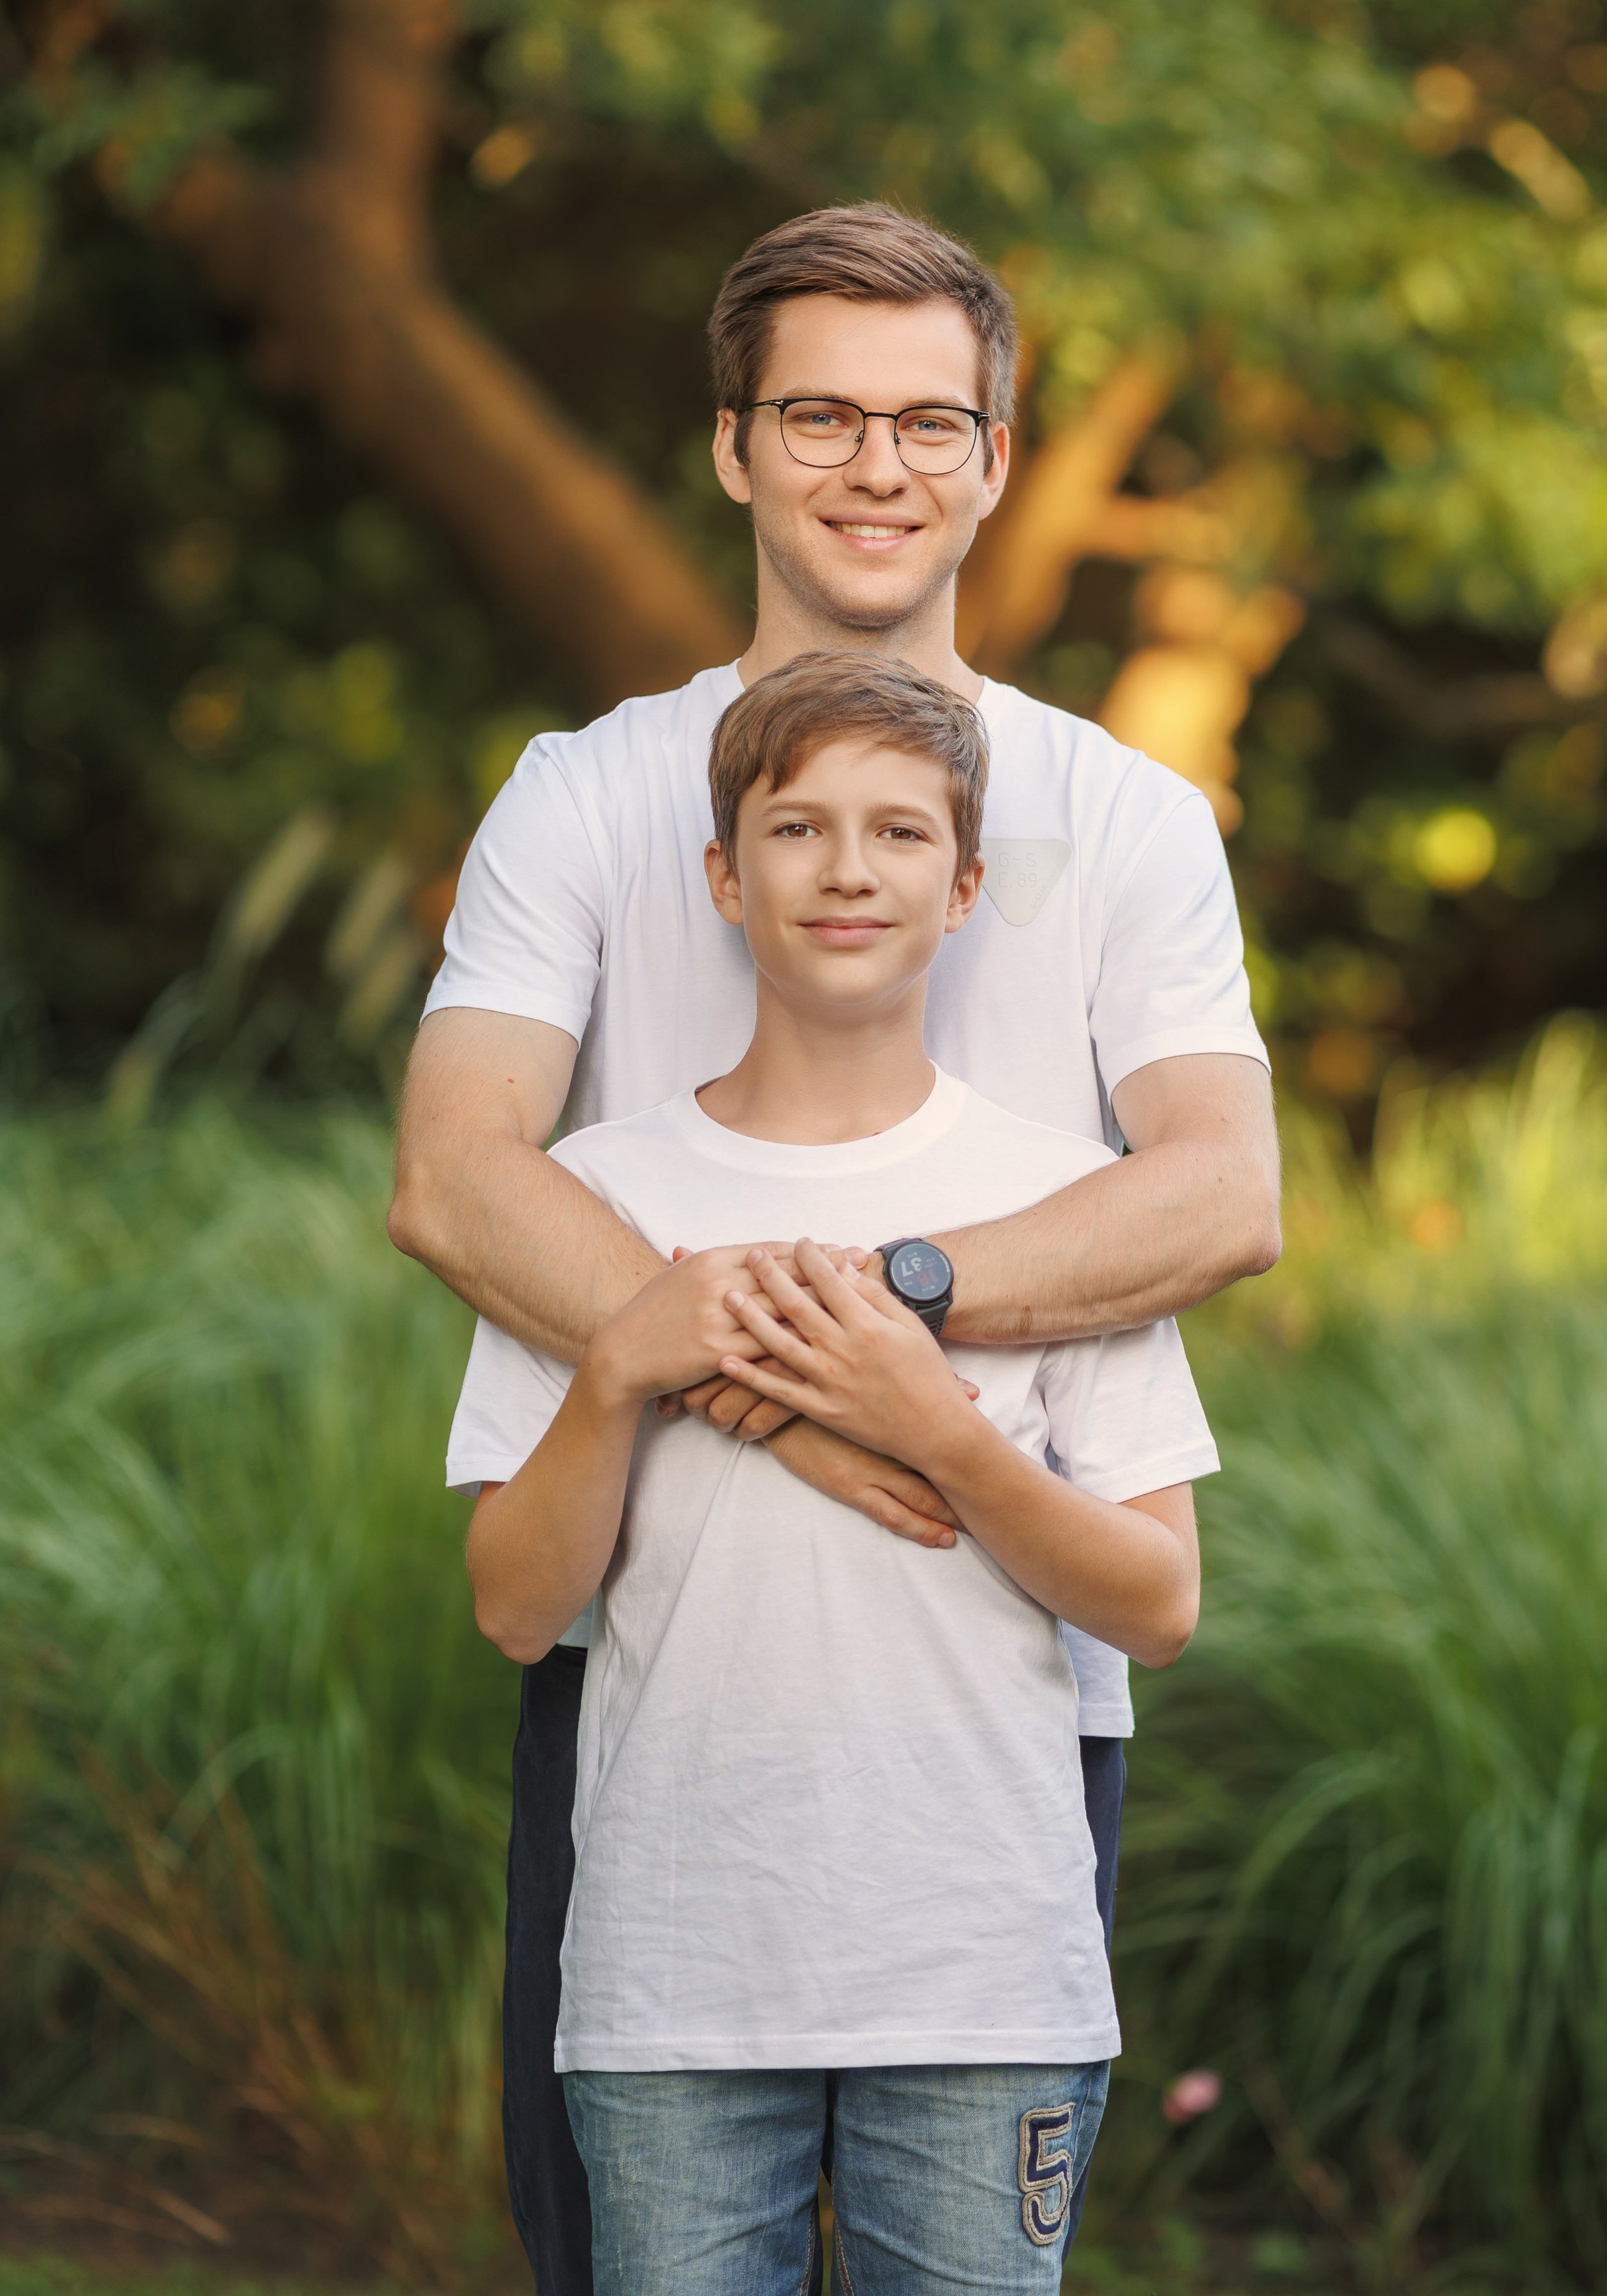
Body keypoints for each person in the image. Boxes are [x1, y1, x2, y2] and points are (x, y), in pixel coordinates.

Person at [389, 201, 1280, 2294]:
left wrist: (891, 1320)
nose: (876, 467)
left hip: (988, 1712)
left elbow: (1221, 1196)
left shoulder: (1128, 815)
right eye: (819, 417)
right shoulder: (591, 792)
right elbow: (453, 1171)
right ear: (731, 448)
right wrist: (769, 1392)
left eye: (927, 423)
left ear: (993, 454)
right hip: (658, 1689)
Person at [457, 655, 1222, 2292]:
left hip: (981, 1986)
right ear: (725, 878)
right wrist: (623, 1361)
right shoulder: (594, 1197)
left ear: (963, 891)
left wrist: (926, 1417)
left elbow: (1158, 1605)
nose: (848, 868)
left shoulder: (1064, 1207)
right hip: (669, 1991)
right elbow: (516, 1611)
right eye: (796, 826)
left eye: (896, 833)